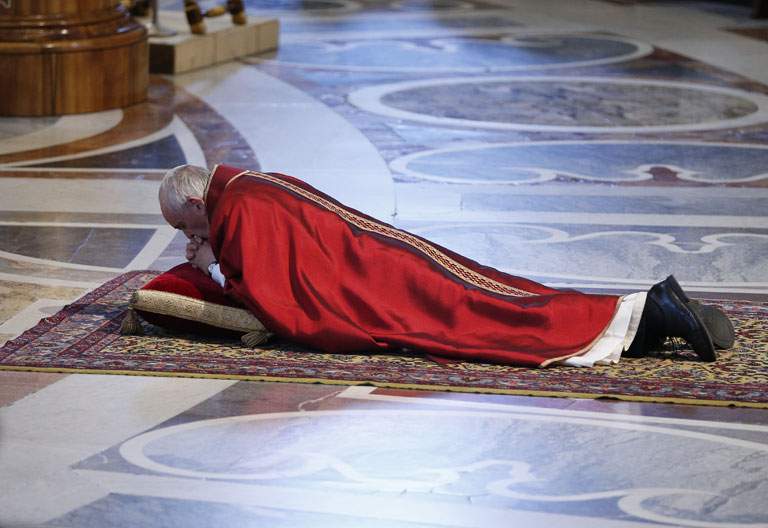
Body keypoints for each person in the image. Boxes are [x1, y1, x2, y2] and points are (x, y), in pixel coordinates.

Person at [158, 164, 734, 368]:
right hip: (382, 257)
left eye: (187, 228)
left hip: (374, 284)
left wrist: (210, 266)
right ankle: (650, 316)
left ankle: (651, 313)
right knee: (498, 295)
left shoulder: (236, 212)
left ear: (194, 200)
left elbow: (276, 298)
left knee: (481, 318)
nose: (191, 237)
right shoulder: (249, 186)